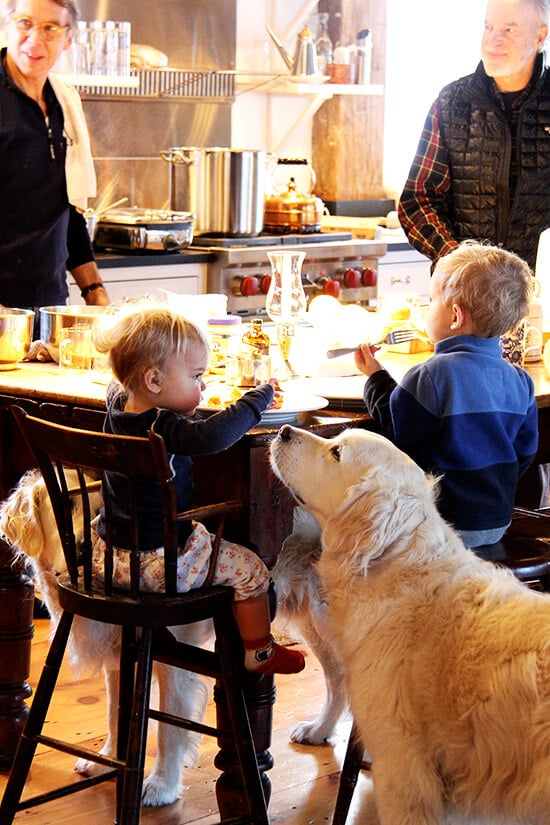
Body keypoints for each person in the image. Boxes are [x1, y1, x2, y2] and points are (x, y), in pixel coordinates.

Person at [91, 306, 305, 676]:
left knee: (200, 537)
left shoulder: (117, 404)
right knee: (252, 569)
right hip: (159, 563)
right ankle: (259, 650)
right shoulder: (164, 425)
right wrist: (256, 400)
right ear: (154, 381)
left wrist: (182, 387)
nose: (203, 386)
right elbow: (213, 436)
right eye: (196, 376)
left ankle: (160, 637)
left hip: (110, 558)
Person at [354, 242, 538, 549]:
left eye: (431, 299)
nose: (427, 308)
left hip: (438, 526)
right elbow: (525, 455)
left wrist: (374, 376)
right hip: (495, 526)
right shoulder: (520, 380)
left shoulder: (432, 375)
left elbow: (397, 429)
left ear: (455, 316)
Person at [398, 0, 550, 272]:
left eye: (509, 30)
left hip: (544, 295)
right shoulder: (451, 103)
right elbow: (418, 200)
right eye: (488, 27)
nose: (493, 41)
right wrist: (459, 262)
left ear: (540, 36)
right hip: (465, 297)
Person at [0, 0, 109, 336]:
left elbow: (67, 211)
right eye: (25, 23)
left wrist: (96, 295)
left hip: (50, 309)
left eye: (50, 28)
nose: (35, 39)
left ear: (69, 39)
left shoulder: (64, 103)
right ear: (7, 24)